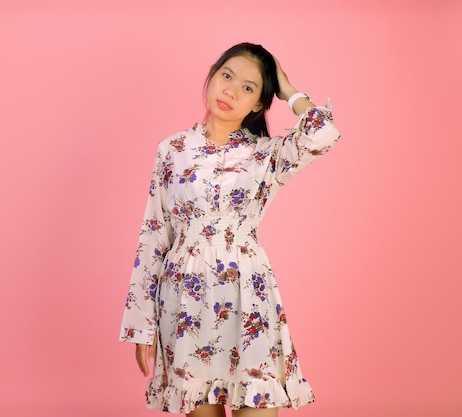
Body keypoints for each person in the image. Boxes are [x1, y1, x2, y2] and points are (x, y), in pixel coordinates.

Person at [119, 42, 340, 417]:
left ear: (258, 104)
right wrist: (143, 324)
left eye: (249, 88)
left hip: (247, 300)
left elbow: (323, 134)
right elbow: (154, 236)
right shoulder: (171, 150)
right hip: (184, 302)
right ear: (212, 76)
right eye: (227, 76)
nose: (232, 90)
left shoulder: (266, 155)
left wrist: (288, 91)